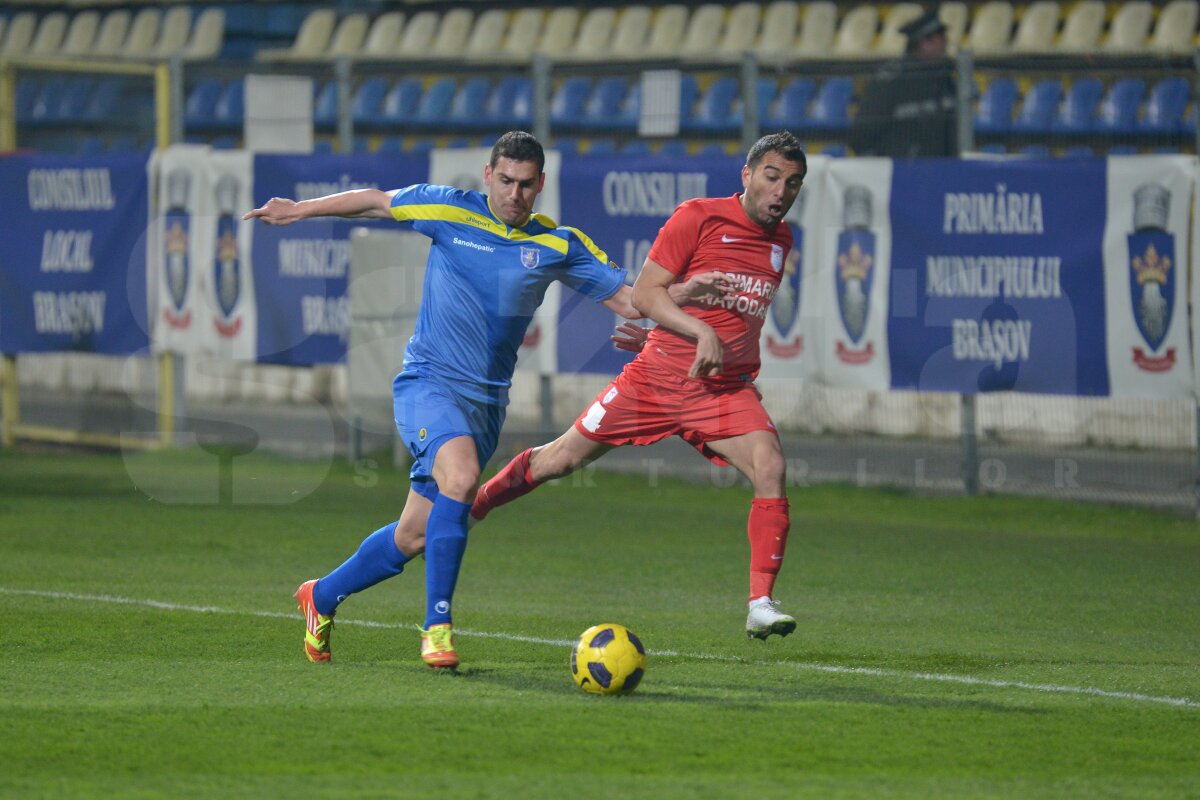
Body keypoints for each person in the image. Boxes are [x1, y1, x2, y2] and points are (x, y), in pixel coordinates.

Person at [244, 131, 725, 668]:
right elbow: (377, 201)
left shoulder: (559, 243)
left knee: (413, 535)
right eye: (505, 181)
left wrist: (683, 300)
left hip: (486, 404)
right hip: (428, 382)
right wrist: (298, 210)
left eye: (525, 185)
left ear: (540, 184)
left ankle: (322, 596)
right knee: (462, 478)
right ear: (487, 176)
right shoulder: (450, 210)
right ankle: (437, 627)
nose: (515, 194)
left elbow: (633, 301)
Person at [470, 131, 807, 641]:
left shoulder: (781, 240)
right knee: (558, 461)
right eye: (772, 176)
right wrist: (684, 329)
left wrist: (668, 324)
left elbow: (715, 310)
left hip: (721, 390)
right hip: (653, 381)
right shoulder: (698, 217)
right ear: (747, 175)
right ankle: (473, 508)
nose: (781, 191)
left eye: (793, 182)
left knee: (771, 465)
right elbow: (648, 294)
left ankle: (760, 602)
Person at [848, 8, 959, 159]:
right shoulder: (891, 81)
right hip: (899, 170)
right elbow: (862, 134)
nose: (946, 44)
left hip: (941, 169)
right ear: (924, 43)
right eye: (941, 38)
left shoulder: (946, 80)